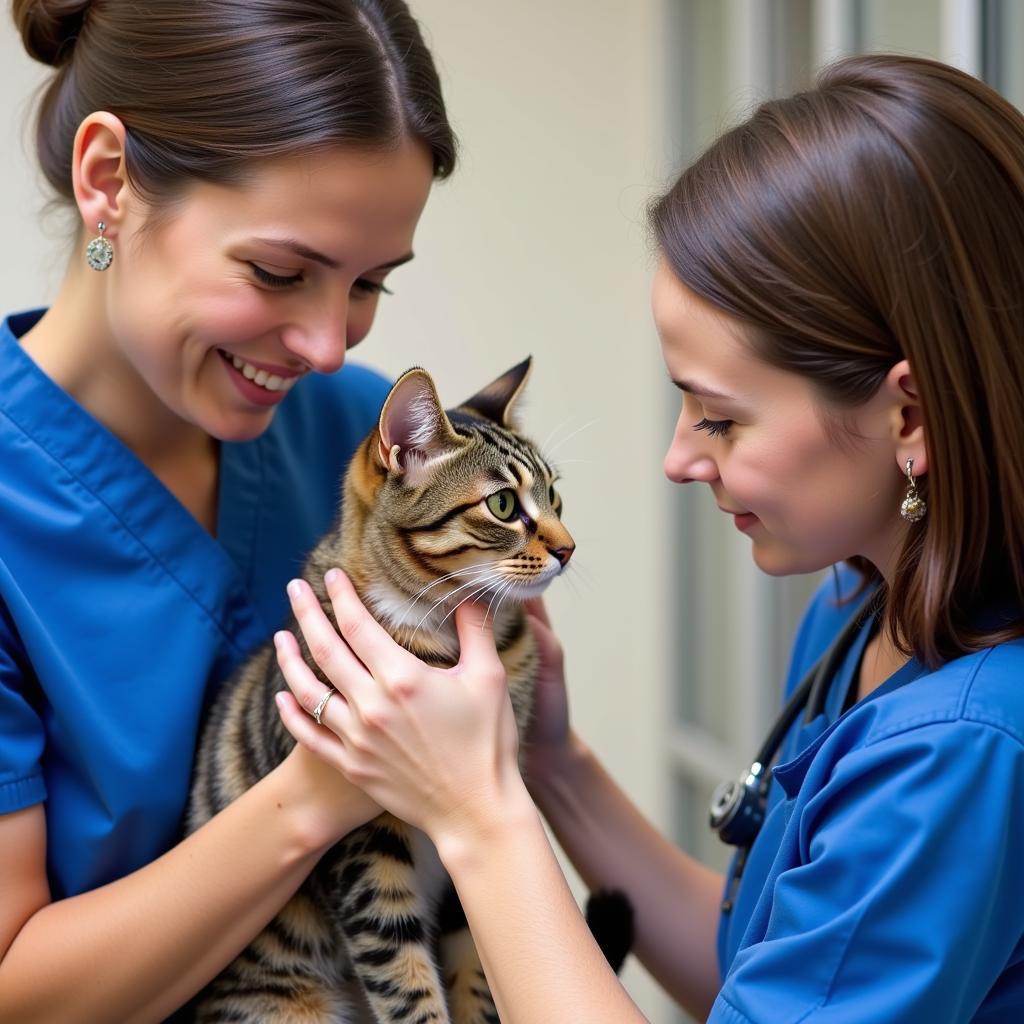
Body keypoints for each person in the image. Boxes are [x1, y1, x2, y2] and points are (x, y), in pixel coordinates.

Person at [273, 53, 1024, 1022]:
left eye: (718, 418)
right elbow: (766, 977)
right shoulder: (857, 615)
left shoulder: (962, 748)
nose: (677, 459)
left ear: (908, 416)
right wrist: (550, 762)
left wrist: (477, 811)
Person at [0, 1, 457, 1020]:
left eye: (369, 283)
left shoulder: (356, 437)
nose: (329, 345)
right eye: (279, 273)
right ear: (107, 181)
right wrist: (326, 782)